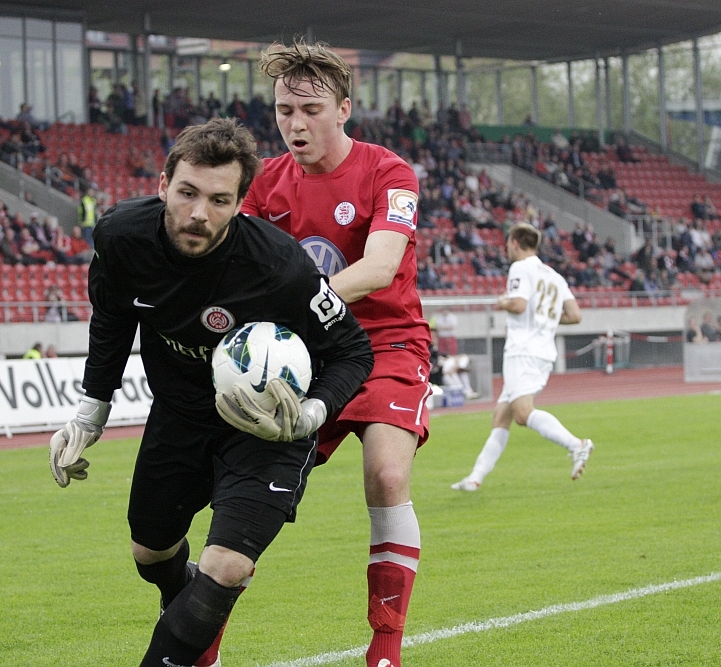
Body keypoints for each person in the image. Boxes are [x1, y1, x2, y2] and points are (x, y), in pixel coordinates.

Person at [48, 119, 373, 667]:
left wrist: (310, 415)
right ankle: (187, 607)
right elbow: (111, 319)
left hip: (265, 429)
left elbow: (353, 350)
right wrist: (90, 412)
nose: (199, 213)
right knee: (150, 551)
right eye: (188, 193)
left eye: (220, 200)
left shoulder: (279, 265)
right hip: (179, 414)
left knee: (227, 566)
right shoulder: (121, 237)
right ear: (163, 185)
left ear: (241, 204)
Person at [240, 40, 430, 667]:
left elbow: (379, 268)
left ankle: (385, 650)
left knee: (387, 476)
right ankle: (199, 644)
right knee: (245, 499)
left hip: (386, 343)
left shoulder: (388, 173)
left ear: (344, 109)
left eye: (311, 109)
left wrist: (294, 303)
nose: (295, 123)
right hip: (305, 354)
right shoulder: (263, 183)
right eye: (284, 110)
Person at [452, 223, 593, 492]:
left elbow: (518, 305)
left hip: (523, 350)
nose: (506, 247)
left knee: (522, 413)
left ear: (515, 243)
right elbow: (575, 315)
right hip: (542, 350)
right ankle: (474, 478)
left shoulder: (520, 268)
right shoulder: (554, 275)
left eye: (508, 243)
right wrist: (545, 319)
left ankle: (577, 444)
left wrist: (502, 302)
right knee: (501, 416)